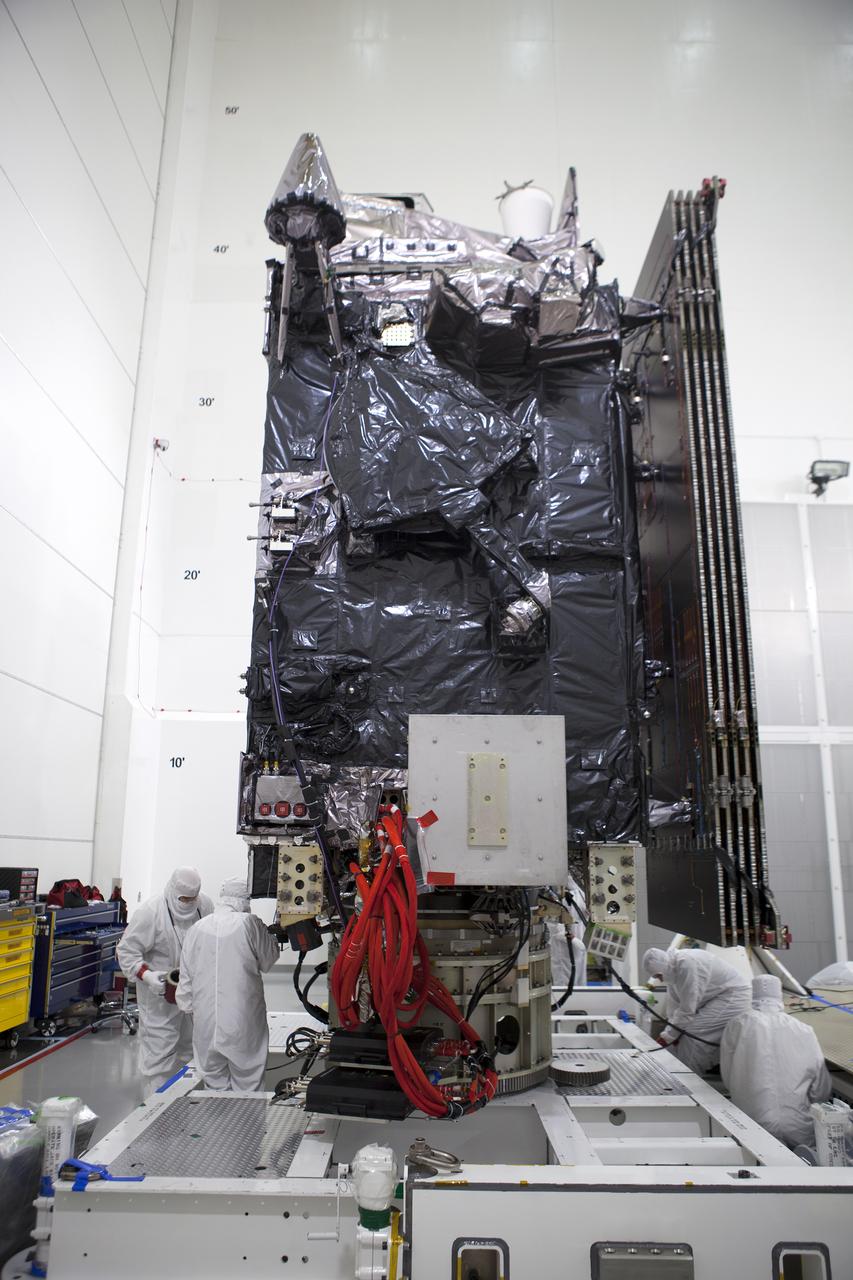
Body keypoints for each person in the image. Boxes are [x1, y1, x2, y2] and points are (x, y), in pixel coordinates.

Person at [176, 875, 280, 1092]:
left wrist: (193, 1011)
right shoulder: (249, 923)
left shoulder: (196, 929)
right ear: (245, 899)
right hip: (242, 1022)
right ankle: (248, 1116)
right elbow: (268, 960)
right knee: (248, 1082)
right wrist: (272, 937)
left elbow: (185, 984)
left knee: (214, 1084)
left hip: (205, 1024)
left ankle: (219, 1116)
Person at [116, 867, 214, 1094]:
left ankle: (184, 1103)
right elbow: (126, 951)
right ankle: (155, 1106)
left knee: (192, 1049)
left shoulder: (205, 906)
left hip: (192, 993)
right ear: (172, 890)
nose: (189, 903)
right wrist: (147, 975)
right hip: (159, 996)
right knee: (159, 1055)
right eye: (184, 899)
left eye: (193, 898)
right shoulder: (151, 912)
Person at [720, 974, 832, 1147]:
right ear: (779, 996)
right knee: (805, 1161)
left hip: (753, 1120)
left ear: (753, 995)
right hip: (798, 1123)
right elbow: (820, 1083)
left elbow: (727, 1075)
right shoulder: (803, 1029)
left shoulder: (737, 1025)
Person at [642, 946, 751, 1073]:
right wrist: (670, 1035)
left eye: (659, 976)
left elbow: (687, 1010)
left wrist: (668, 1037)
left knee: (693, 1034)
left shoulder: (687, 965)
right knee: (680, 1033)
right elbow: (674, 1009)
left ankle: (688, 1077)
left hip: (734, 996)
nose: (660, 980)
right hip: (717, 997)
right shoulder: (672, 970)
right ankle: (672, 1072)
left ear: (664, 967)